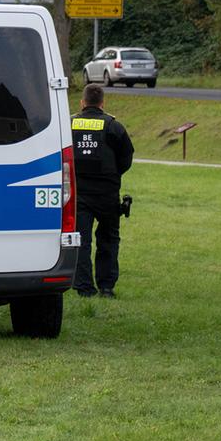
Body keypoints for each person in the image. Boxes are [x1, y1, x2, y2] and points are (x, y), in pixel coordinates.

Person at [71, 82, 134, 297]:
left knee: (81, 241)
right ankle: (106, 287)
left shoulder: (69, 125)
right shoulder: (114, 126)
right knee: (108, 239)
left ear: (82, 103)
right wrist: (112, 176)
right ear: (102, 103)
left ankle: (84, 288)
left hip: (78, 194)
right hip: (107, 194)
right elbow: (126, 158)